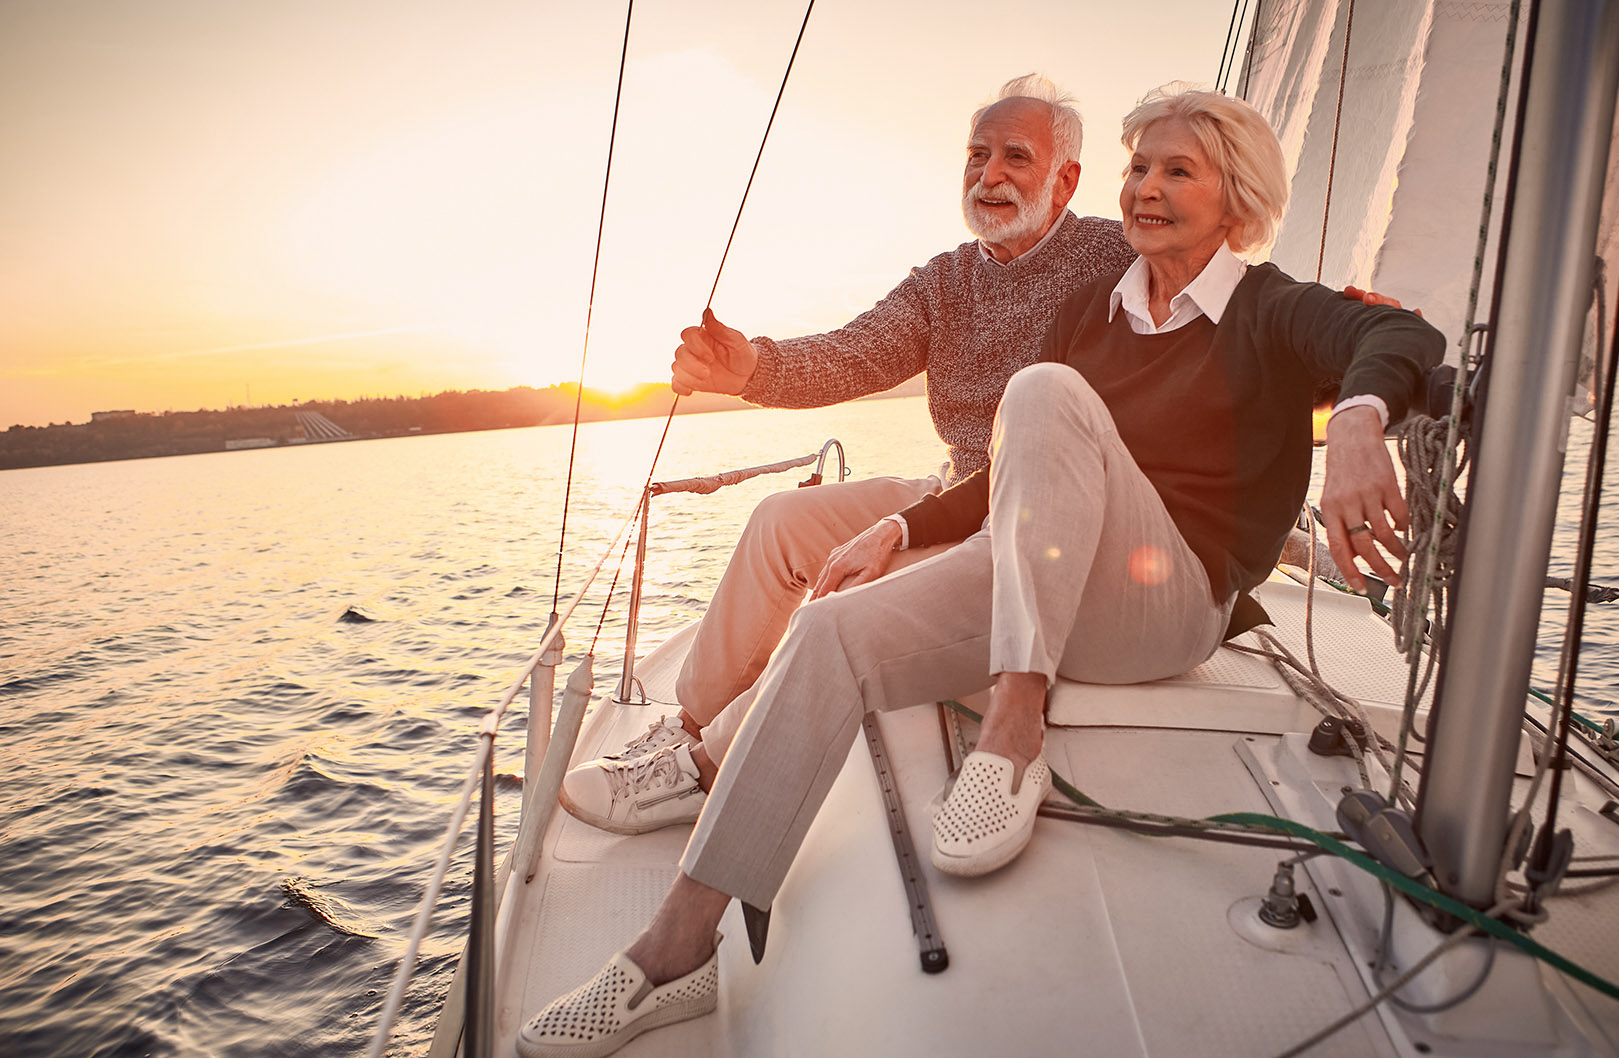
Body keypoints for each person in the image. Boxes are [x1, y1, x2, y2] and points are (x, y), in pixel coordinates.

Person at [515, 84, 1444, 1058]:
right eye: (1140, 167)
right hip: (1048, 564)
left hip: (1169, 599)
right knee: (830, 627)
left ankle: (1013, 726)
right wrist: (901, 526)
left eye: (1178, 170)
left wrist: (1352, 423)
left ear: (1235, 195)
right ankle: (675, 949)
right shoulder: (1093, 306)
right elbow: (1011, 467)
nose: (1147, 188)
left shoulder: (1268, 306)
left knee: (1040, 390)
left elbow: (1399, 339)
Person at [556, 74, 1135, 833]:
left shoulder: (1115, 255)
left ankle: (717, 764)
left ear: (1064, 180)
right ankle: (688, 727)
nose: (988, 175)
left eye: (1014, 157)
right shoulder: (947, 280)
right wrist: (750, 369)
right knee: (781, 523)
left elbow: (1218, 299)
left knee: (856, 586)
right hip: (954, 491)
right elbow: (852, 354)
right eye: (976, 153)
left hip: (1037, 524)